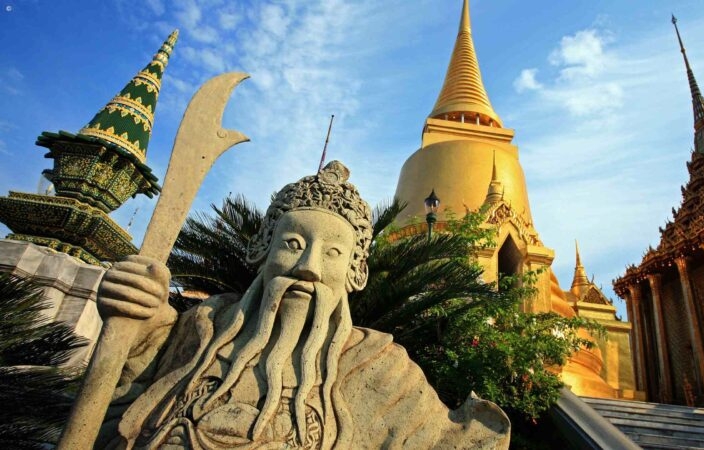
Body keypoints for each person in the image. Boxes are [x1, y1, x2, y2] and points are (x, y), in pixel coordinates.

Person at [95, 161, 510, 449]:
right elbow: (129, 379)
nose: (309, 267)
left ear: (356, 272)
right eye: (293, 244)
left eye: (332, 253)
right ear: (261, 248)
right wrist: (138, 317)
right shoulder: (202, 328)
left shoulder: (383, 371)